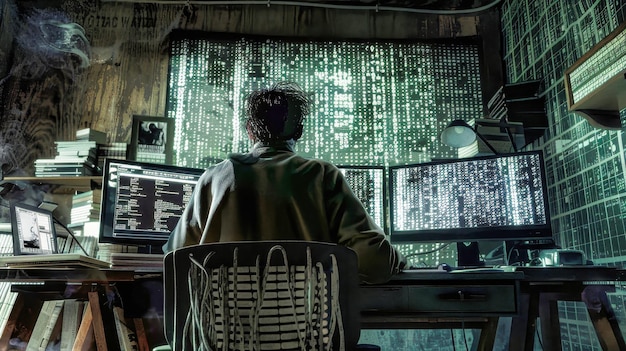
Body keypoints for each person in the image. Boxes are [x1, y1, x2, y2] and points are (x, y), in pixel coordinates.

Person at [163, 81, 405, 284]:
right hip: (309, 336)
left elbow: (175, 256)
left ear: (249, 130)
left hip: (222, 338)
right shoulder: (323, 176)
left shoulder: (213, 179)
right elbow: (375, 262)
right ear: (298, 131)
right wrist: (398, 260)